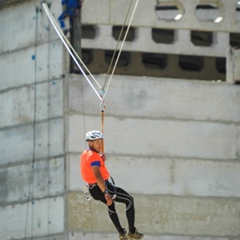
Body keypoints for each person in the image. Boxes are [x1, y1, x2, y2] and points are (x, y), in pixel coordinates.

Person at [80, 130, 144, 240]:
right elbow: (98, 176)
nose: (100, 144)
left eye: (101, 142)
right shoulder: (94, 157)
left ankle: (121, 233)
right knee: (129, 200)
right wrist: (106, 192)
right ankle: (132, 231)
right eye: (97, 142)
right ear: (90, 143)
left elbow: (90, 168)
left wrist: (100, 159)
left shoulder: (85, 154)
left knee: (110, 205)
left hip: (93, 190)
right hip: (102, 187)